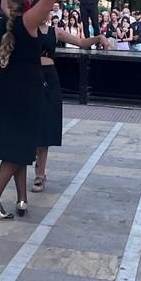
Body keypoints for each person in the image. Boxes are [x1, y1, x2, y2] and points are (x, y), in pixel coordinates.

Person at [0, 0, 68, 220]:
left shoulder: (6, 21)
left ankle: (21, 199)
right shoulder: (27, 22)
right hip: (25, 91)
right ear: (27, 2)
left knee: (17, 146)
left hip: (5, 89)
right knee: (17, 150)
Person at [32, 11, 106, 192]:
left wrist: (98, 37)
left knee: (46, 125)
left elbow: (80, 42)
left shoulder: (55, 31)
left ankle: (40, 174)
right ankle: (32, 159)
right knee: (30, 123)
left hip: (49, 78)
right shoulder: (27, 29)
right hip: (30, 77)